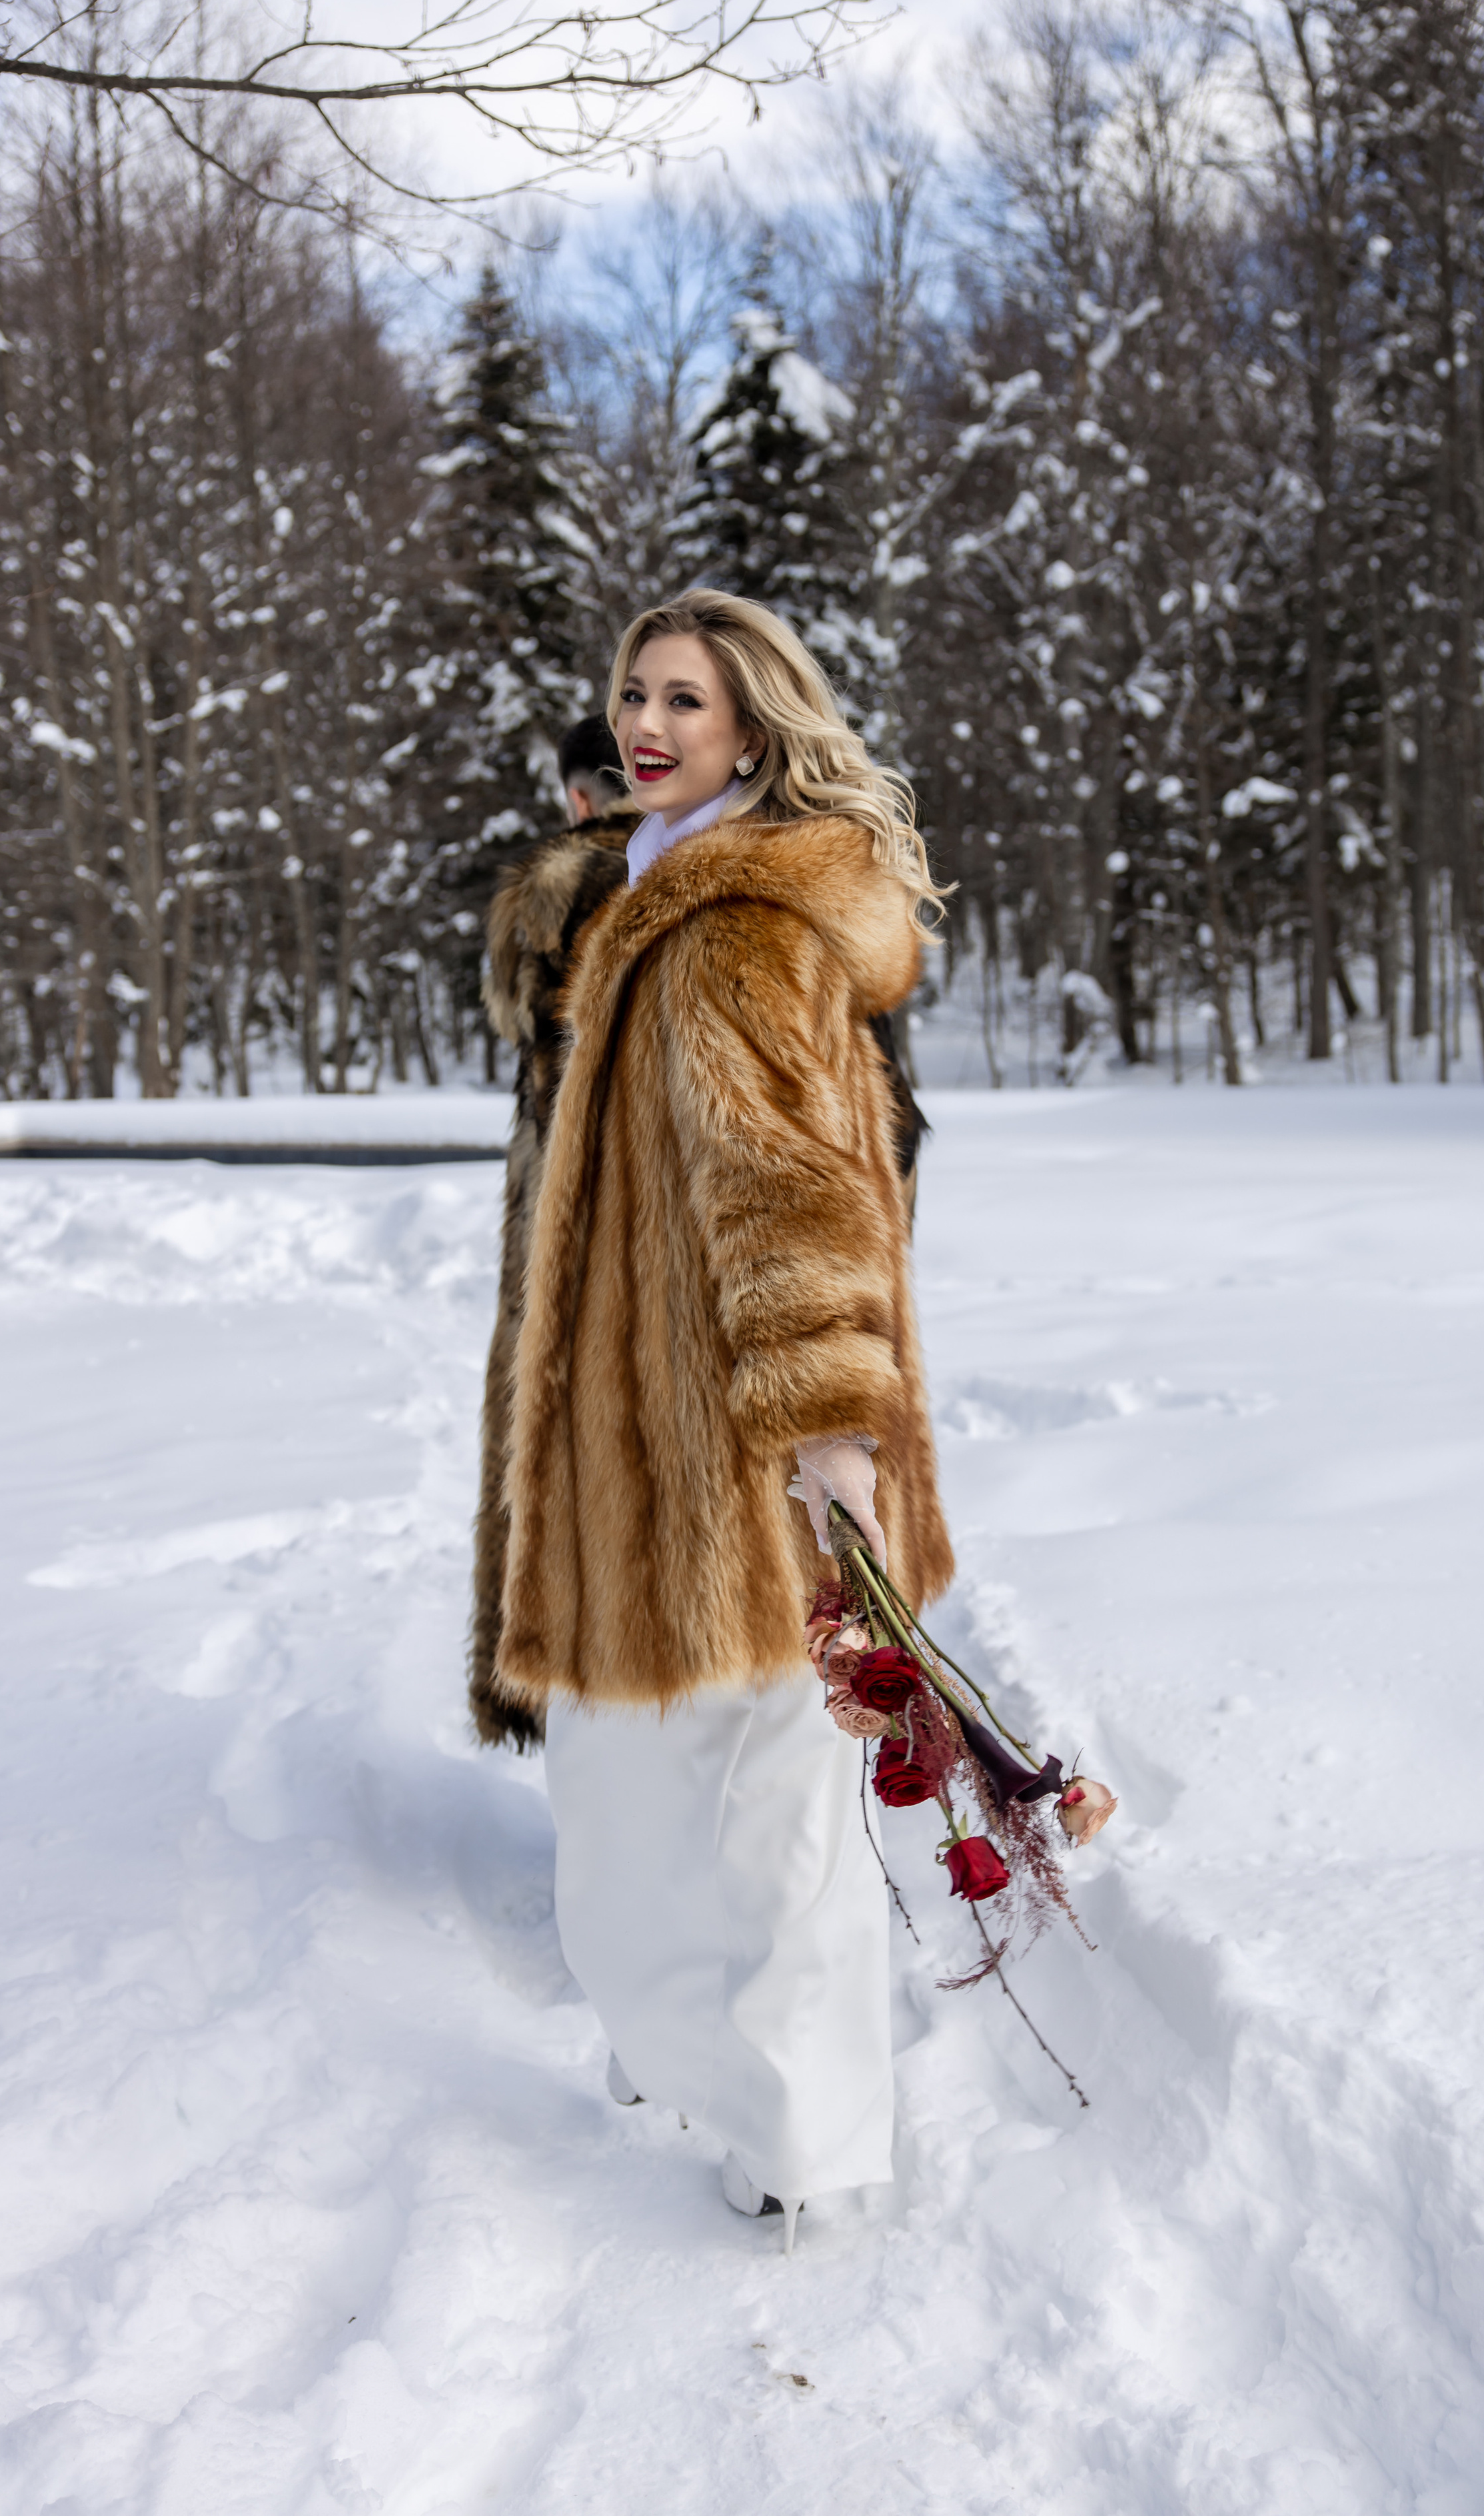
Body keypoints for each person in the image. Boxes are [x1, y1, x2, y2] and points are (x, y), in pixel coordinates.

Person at [486, 589, 954, 2243]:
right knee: (636, 1826)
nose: (645, 722)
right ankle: (731, 2086)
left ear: (752, 730)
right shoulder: (654, 901)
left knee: (769, 1832)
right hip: (650, 1443)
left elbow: (793, 1199)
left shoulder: (728, 930)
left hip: (737, 1445)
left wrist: (829, 1433)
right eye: (631, 692)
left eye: (684, 699)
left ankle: (809, 2148)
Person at [468, 720, 640, 1748]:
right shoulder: (788, 880)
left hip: (597, 1302)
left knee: (589, 1547)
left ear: (581, 800)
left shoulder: (573, 898)